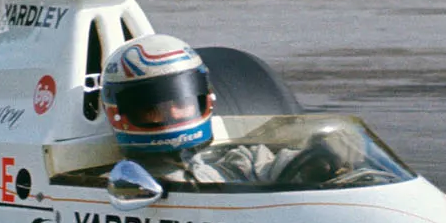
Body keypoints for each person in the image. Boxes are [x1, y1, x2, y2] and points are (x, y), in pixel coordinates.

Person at [101, 35, 372, 188]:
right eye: (153, 109)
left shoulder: (237, 162)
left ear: (205, 97)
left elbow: (278, 165)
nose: (173, 112)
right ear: (119, 114)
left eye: (182, 101)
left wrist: (326, 155)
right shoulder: (127, 183)